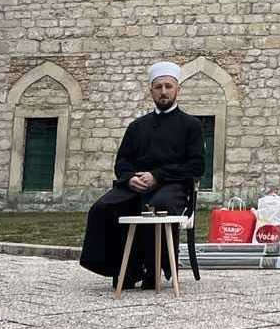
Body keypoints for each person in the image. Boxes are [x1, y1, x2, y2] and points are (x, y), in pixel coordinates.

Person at [79, 61, 205, 289]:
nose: (164, 91)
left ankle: (152, 270)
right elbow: (122, 162)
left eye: (168, 86)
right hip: (135, 185)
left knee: (156, 207)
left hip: (173, 186)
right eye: (159, 87)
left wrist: (157, 176)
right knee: (103, 208)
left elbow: (196, 166)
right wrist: (129, 179)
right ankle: (122, 270)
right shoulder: (137, 126)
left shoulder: (192, 125)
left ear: (178, 90)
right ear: (151, 91)